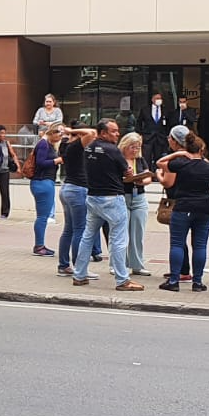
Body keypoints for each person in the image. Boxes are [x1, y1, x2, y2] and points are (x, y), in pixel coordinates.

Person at [71, 119, 136, 291]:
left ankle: (79, 274)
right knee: (118, 239)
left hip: (93, 197)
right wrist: (129, 172)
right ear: (103, 133)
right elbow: (127, 172)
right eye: (113, 131)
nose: (117, 134)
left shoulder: (89, 147)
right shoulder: (112, 150)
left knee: (88, 235)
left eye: (117, 130)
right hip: (112, 197)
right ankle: (122, 280)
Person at [159, 133, 209, 293]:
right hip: (205, 207)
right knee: (200, 245)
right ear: (202, 149)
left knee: (177, 243)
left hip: (183, 206)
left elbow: (160, 163)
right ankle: (197, 282)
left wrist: (178, 153)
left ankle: (174, 280)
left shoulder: (181, 164)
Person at [56, 121, 98, 277]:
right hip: (77, 189)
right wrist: (72, 130)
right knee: (80, 229)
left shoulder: (67, 146)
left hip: (68, 188)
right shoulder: (75, 146)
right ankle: (80, 268)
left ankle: (64, 265)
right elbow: (92, 132)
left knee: (69, 229)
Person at [119, 131, 154, 279]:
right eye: (132, 147)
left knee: (137, 232)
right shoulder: (119, 159)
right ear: (125, 146)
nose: (135, 150)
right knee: (121, 233)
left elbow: (148, 177)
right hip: (123, 196)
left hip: (139, 196)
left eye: (137, 147)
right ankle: (119, 264)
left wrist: (141, 180)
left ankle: (137, 265)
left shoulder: (140, 160)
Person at [30, 124, 61, 256]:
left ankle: (39, 245)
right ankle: (39, 246)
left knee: (42, 216)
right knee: (42, 216)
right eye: (59, 133)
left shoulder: (45, 143)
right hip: (43, 181)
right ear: (52, 132)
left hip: (41, 182)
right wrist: (57, 160)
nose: (60, 137)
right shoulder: (44, 144)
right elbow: (40, 162)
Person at [141, 93, 170, 166]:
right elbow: (139, 122)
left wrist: (166, 134)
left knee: (159, 158)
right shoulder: (145, 110)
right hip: (148, 137)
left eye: (160, 98)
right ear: (152, 99)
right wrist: (140, 134)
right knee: (147, 158)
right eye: (157, 98)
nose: (159, 100)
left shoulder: (165, 110)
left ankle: (158, 174)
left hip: (160, 138)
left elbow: (168, 124)